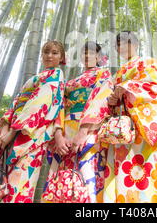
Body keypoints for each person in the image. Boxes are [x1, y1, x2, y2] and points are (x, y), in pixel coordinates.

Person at [83, 31, 157, 203]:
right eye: (119, 43)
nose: (123, 46)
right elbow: (108, 99)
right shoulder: (117, 73)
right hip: (120, 130)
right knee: (120, 174)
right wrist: (113, 99)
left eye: (127, 42)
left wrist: (127, 86)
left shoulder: (149, 62)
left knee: (144, 171)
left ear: (136, 44)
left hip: (142, 124)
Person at [0, 40, 67, 203]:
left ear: (62, 58)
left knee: (21, 181)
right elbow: (17, 101)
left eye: (54, 53)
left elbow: (41, 102)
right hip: (15, 131)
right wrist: (5, 129)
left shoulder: (57, 75)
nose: (49, 56)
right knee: (7, 183)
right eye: (46, 52)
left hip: (32, 133)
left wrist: (12, 131)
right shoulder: (37, 77)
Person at [42, 41, 111, 203]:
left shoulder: (103, 75)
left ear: (99, 57)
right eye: (84, 53)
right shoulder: (71, 82)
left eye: (92, 53)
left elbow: (100, 101)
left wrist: (83, 132)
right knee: (59, 181)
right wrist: (58, 135)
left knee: (88, 175)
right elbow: (59, 106)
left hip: (90, 130)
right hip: (65, 132)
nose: (87, 56)